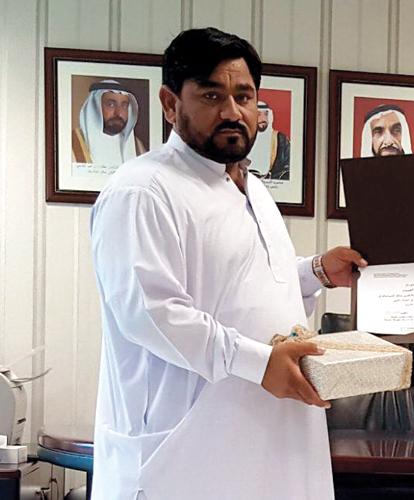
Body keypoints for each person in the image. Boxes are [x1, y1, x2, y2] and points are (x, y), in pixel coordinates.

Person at [89, 27, 366, 500]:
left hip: (270, 436)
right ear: (170, 104)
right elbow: (151, 313)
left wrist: (316, 271)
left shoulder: (251, 186)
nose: (233, 112)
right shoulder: (142, 190)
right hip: (186, 450)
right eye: (212, 95)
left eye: (244, 96)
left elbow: (244, 286)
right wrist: (259, 363)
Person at [72, 79, 147, 165]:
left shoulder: (137, 146)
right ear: (95, 107)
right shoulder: (72, 142)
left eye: (124, 105)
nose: (118, 113)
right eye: (111, 104)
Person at [248, 100, 290, 180]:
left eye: (266, 114)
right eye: (258, 114)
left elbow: (287, 168)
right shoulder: (241, 139)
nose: (263, 119)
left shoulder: (280, 139)